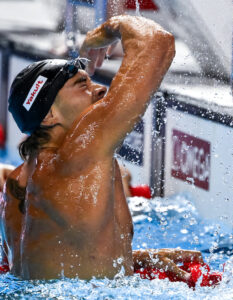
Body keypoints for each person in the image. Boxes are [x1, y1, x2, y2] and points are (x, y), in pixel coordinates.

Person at [0, 15, 203, 280]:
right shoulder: (81, 152)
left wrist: (136, 258)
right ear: (49, 116)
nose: (100, 91)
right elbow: (158, 42)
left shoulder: (16, 186)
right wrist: (110, 28)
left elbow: (41, 267)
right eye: (82, 85)